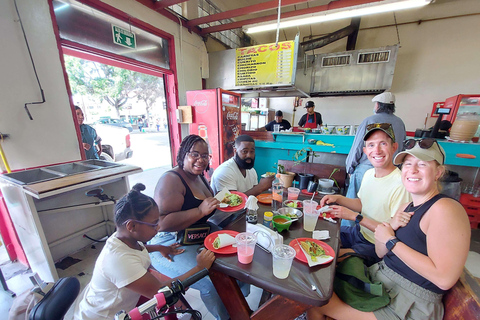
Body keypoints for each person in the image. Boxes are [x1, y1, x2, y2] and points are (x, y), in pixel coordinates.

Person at [307, 138, 471, 320]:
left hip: (410, 302)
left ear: (438, 172)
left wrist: (391, 241)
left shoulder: (445, 209)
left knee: (316, 301)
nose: (412, 170)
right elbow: (380, 251)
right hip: (381, 281)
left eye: (422, 164)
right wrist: (388, 229)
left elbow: (444, 279)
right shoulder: (407, 207)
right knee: (317, 282)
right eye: (408, 164)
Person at [73, 183, 215, 320]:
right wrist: (199, 267)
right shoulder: (118, 260)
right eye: (153, 224)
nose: (158, 228)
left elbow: (135, 249)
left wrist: (160, 247)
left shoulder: (123, 239)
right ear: (132, 226)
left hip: (120, 305)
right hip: (105, 316)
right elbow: (161, 291)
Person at [149, 134, 247, 320]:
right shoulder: (171, 179)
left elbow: (205, 207)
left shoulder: (199, 176)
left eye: (205, 155)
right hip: (170, 243)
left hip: (199, 232)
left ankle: (240, 306)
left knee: (239, 251)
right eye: (195, 154)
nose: (201, 160)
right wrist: (200, 211)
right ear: (183, 154)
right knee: (208, 281)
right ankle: (226, 316)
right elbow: (160, 224)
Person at [320, 123, 410, 262]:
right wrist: (337, 198)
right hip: (359, 233)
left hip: (376, 246)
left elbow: (392, 231)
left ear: (394, 147)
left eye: (383, 144)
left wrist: (354, 216)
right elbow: (362, 204)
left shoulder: (401, 184)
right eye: (371, 145)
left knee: (325, 257)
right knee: (319, 238)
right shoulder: (369, 174)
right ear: (365, 150)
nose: (377, 150)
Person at [346, 92, 406, 200]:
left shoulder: (370, 120)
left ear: (377, 105)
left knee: (352, 206)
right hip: (391, 171)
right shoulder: (400, 123)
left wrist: (350, 169)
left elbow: (357, 148)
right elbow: (402, 147)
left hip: (367, 168)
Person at [210, 135, 275, 196]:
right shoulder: (225, 171)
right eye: (244, 151)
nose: (249, 155)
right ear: (235, 151)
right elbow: (231, 203)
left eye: (252, 151)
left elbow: (254, 195)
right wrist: (261, 187)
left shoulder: (252, 171)